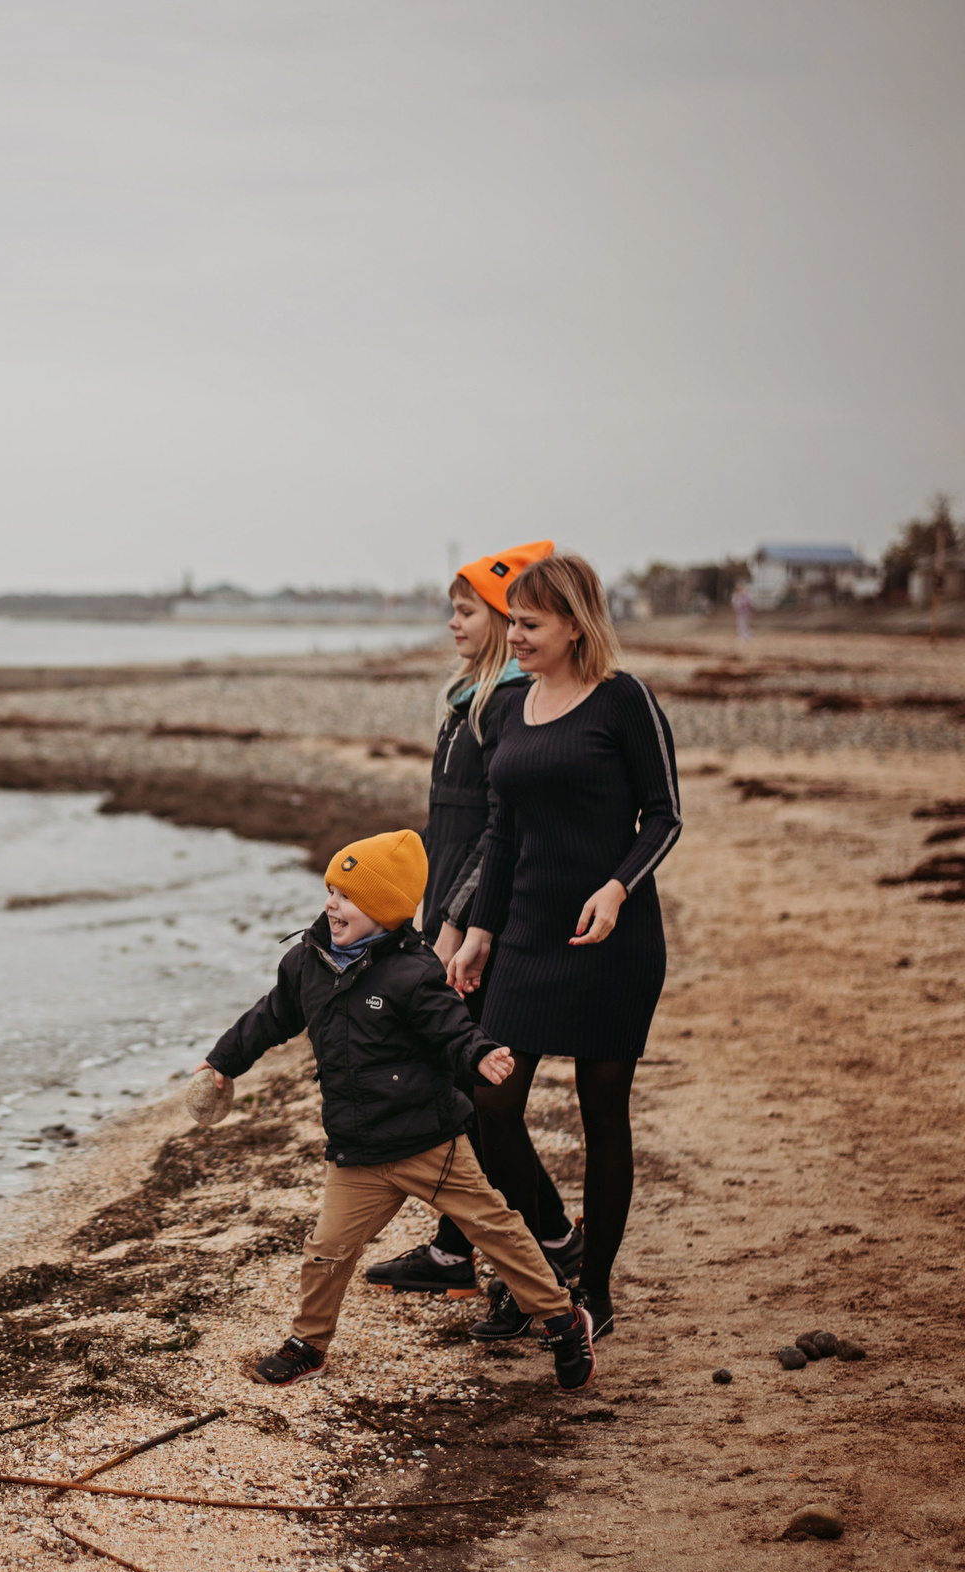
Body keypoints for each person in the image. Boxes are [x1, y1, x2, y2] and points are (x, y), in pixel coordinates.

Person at [188, 829, 595, 1393]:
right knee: (327, 1250)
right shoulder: (306, 963)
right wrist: (222, 1061)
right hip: (357, 1150)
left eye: (348, 895)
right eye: (330, 890)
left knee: (496, 1229)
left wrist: (479, 1054)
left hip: (430, 1143)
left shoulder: (412, 972)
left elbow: (452, 1026)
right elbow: (271, 1016)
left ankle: (562, 1319)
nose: (332, 903)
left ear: (384, 909)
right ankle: (309, 1342)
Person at [448, 552, 681, 1344]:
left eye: (529, 623)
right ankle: (547, 1258)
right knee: (493, 1103)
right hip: (524, 936)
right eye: (511, 620)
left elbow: (665, 816)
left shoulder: (624, 701)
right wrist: (479, 933)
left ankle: (598, 1290)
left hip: (612, 941)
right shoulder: (512, 708)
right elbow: (504, 831)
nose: (513, 635)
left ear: (576, 626)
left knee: (602, 1113)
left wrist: (617, 888)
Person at [362, 542, 582, 1301]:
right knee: (461, 1084)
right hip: (449, 908)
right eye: (452, 609)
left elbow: (500, 828)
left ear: (501, 620)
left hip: (486, 919)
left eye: (466, 611)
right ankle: (458, 1252)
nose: (453, 622)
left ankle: (553, 1236)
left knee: (475, 1089)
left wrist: (459, 923)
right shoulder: (469, 699)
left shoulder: (507, 703)